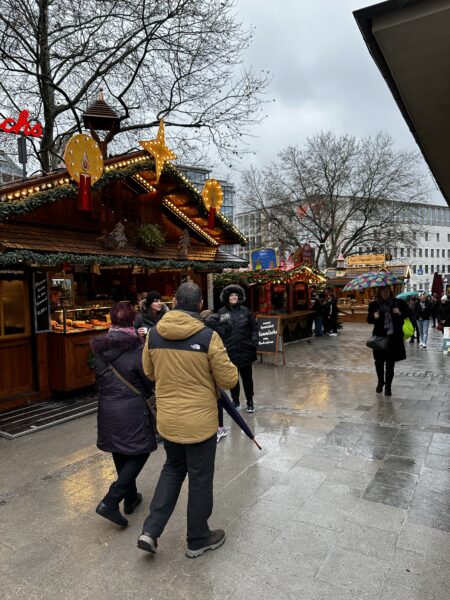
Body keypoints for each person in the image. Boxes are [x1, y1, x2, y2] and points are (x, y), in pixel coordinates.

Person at [137, 282, 238, 558]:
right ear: (201, 305)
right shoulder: (208, 336)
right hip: (200, 424)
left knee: (172, 470)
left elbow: (149, 372)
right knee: (200, 478)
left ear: (174, 300)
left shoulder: (155, 335)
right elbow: (229, 379)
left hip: (169, 420)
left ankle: (150, 530)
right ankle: (197, 538)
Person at [91, 301, 157, 527]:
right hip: (132, 408)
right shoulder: (136, 349)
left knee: (119, 449)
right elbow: (149, 382)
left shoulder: (99, 350)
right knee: (142, 449)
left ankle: (130, 498)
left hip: (107, 407)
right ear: (132, 321)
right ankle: (111, 500)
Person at [217, 284, 259, 413]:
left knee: (247, 379)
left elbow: (254, 328)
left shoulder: (246, 311)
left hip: (246, 351)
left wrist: (254, 342)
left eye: (236, 295)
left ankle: (250, 401)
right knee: (233, 379)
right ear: (227, 298)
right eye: (231, 295)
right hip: (230, 351)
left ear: (239, 297)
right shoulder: (222, 313)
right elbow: (219, 331)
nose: (234, 297)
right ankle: (235, 401)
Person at [367, 287, 408, 396]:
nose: (385, 293)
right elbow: (369, 320)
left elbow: (408, 314)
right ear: (379, 292)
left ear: (390, 292)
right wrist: (374, 316)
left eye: (387, 291)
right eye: (383, 291)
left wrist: (399, 312)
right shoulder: (374, 305)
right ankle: (381, 382)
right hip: (379, 338)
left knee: (390, 364)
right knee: (379, 362)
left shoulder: (398, 303)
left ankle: (388, 387)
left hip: (393, 339)